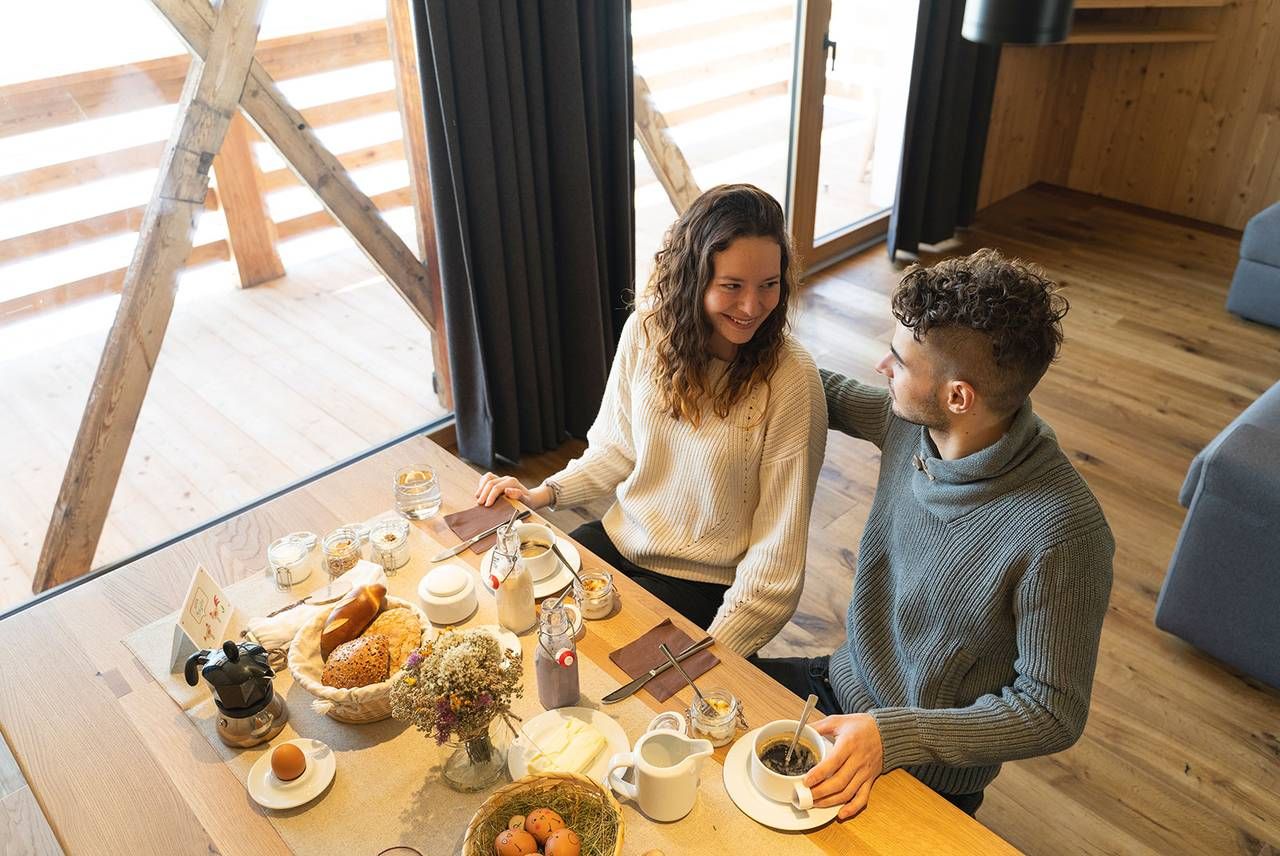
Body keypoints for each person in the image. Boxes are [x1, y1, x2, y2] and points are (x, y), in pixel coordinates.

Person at [752, 248, 1114, 819]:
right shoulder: (910, 424)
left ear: (957, 396)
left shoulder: (1064, 535)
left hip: (925, 772)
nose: (882, 367)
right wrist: (725, 335)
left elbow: (1052, 711)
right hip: (837, 687)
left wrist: (892, 736)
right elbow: (823, 390)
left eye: (898, 359)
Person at [476, 184, 826, 656]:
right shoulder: (647, 329)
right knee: (513, 611)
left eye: (769, 285)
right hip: (620, 538)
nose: (752, 307)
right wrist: (542, 494)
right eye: (732, 286)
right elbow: (615, 448)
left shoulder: (791, 379)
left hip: (705, 585)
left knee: (591, 666)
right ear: (692, 277)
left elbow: (775, 559)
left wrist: (714, 654)